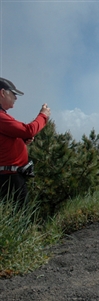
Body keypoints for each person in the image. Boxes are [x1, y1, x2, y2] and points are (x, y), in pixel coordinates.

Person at [0, 77, 51, 206]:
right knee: (20, 216)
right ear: (2, 93)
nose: (16, 98)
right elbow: (29, 130)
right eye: (13, 94)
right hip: (9, 178)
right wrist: (43, 115)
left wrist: (20, 141)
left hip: (9, 176)